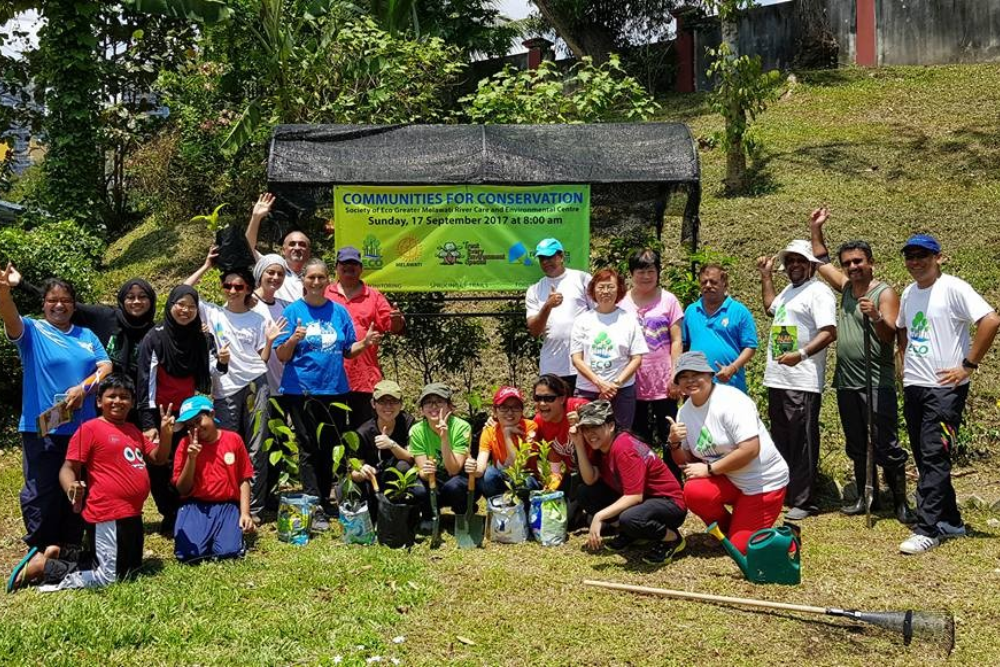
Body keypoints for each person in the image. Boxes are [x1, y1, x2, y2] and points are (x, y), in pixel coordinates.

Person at [7, 376, 174, 592]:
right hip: (107, 513)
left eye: (124, 397)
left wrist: (166, 433)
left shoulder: (133, 430)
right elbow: (67, 468)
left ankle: (61, 554)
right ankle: (42, 567)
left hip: (132, 513)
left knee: (131, 568)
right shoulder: (91, 429)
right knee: (108, 578)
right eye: (111, 396)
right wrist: (71, 487)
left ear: (132, 403)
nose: (118, 401)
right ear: (98, 401)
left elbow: (159, 458)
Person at [894, 235, 999, 554]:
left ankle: (927, 529)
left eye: (922, 255)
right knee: (925, 455)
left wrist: (968, 365)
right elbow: (902, 327)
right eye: (910, 256)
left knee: (933, 455)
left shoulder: (954, 288)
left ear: (938, 257)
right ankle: (951, 521)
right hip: (915, 385)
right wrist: (903, 357)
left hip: (944, 391)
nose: (915, 262)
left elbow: (990, 320)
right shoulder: (909, 292)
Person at [809, 209, 915, 524]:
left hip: (876, 380)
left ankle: (900, 501)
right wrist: (816, 228)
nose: (853, 267)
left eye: (858, 261)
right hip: (847, 381)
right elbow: (820, 262)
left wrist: (876, 316)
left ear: (870, 263)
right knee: (856, 442)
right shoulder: (845, 288)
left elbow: (890, 336)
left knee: (885, 442)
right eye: (848, 263)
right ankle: (866, 496)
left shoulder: (884, 292)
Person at [1, 265, 112, 550]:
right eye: (53, 300)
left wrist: (83, 388)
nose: (59, 305)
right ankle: (42, 547)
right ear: (44, 304)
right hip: (43, 425)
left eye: (65, 300)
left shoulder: (86, 335)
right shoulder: (33, 331)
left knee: (77, 485)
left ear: (74, 305)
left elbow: (106, 367)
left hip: (82, 427)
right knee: (42, 488)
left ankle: (70, 545)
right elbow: (11, 319)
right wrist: (4, 294)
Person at [273, 258, 382, 531]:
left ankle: (324, 498)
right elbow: (281, 355)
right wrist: (293, 339)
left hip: (335, 389)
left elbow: (347, 350)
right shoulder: (293, 312)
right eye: (311, 277)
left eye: (321, 277)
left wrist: (365, 343)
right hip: (301, 391)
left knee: (330, 445)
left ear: (327, 280)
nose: (316, 282)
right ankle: (314, 504)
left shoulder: (339, 312)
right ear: (304, 280)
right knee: (308, 446)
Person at [184, 248, 286, 523]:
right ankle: (229, 503)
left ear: (248, 289)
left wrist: (270, 341)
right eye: (227, 285)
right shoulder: (213, 313)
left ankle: (254, 508)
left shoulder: (259, 318)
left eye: (238, 286)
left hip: (256, 384)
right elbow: (183, 290)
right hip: (225, 386)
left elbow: (262, 359)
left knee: (257, 445)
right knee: (226, 444)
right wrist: (206, 265)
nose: (232, 290)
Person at [668, 352, 790, 555]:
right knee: (694, 491)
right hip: (729, 478)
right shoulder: (684, 412)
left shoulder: (732, 401)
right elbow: (686, 463)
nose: (690, 381)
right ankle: (727, 531)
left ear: (710, 375)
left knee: (742, 548)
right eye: (684, 377)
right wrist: (674, 443)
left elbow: (750, 449)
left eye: (696, 374)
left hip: (762, 482)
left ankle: (787, 538)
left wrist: (709, 469)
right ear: (678, 383)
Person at [757, 240, 837, 521]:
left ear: (811, 265)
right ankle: (788, 493)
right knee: (782, 439)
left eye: (800, 260)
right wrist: (766, 276)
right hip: (778, 378)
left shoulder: (819, 292)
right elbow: (770, 307)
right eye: (790, 261)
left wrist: (800, 354)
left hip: (801, 380)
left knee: (802, 440)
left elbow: (829, 332)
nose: (794, 265)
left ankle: (805, 500)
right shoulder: (790, 291)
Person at [137, 285, 220, 536]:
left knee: (186, 459)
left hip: (190, 414)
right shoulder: (155, 338)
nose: (185, 310)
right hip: (160, 413)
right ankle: (169, 512)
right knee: (159, 465)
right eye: (180, 304)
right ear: (170, 305)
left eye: (192, 306)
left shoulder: (200, 338)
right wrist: (148, 423)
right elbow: (146, 381)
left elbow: (208, 374)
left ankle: (187, 509)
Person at [572, 400, 687, 565]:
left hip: (669, 504)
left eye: (595, 426)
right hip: (644, 500)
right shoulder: (600, 446)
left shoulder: (624, 447)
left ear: (611, 426)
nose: (590, 434)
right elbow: (589, 479)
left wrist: (599, 516)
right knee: (585, 492)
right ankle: (632, 533)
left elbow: (634, 496)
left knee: (630, 518)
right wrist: (578, 443)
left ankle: (672, 539)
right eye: (585, 429)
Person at [8, 266, 157, 387]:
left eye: (142, 297)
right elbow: (63, 303)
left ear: (151, 300)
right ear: (122, 299)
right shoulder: (105, 317)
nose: (136, 301)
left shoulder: (155, 333)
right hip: (100, 400)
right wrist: (22, 284)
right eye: (130, 297)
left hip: (136, 403)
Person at [325, 246, 405, 429]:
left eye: (353, 264)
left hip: (364, 378)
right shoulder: (325, 294)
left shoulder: (374, 296)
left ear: (361, 268)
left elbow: (393, 327)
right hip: (330, 378)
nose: (349, 267)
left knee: (364, 432)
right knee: (331, 432)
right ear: (336, 267)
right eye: (344, 263)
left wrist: (396, 319)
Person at [172, 395, 256, 562]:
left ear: (211, 414)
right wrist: (191, 459)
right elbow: (182, 489)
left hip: (226, 505)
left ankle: (225, 534)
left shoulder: (233, 440)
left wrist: (245, 513)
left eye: (198, 421)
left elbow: (244, 479)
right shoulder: (184, 444)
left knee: (228, 553)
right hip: (195, 505)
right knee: (188, 554)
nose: (195, 429)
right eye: (189, 426)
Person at [619, 248, 684, 453]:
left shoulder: (669, 300)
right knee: (636, 436)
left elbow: (677, 340)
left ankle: (672, 473)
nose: (646, 276)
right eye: (641, 271)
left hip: (664, 382)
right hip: (631, 381)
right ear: (631, 273)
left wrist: (675, 375)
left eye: (651, 271)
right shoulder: (620, 302)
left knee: (669, 434)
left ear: (658, 272)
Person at [571, 268, 648, 429]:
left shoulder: (629, 319)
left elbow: (637, 358)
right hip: (588, 390)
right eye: (601, 287)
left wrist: (615, 384)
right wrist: (599, 383)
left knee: (620, 435)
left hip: (621, 391)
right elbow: (577, 359)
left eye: (610, 287)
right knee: (588, 435)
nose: (605, 291)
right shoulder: (582, 320)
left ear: (619, 290)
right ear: (593, 290)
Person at [525, 238, 592, 392]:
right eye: (542, 258)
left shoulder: (582, 279)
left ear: (561, 256)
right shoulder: (534, 290)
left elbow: (599, 313)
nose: (546, 262)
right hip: (552, 366)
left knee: (582, 407)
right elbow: (534, 331)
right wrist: (547, 306)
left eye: (550, 257)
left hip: (584, 364)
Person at [682, 264, 758, 394]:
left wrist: (733, 368)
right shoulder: (691, 311)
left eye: (713, 282)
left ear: (724, 283)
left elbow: (750, 347)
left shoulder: (739, 311)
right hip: (696, 388)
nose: (708, 285)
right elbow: (683, 345)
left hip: (730, 385)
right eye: (704, 282)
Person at [348, 380, 417, 517]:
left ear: (401, 404)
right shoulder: (362, 432)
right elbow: (354, 473)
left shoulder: (408, 422)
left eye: (393, 401)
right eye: (382, 402)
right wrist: (363, 472)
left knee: (403, 466)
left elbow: (411, 458)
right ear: (373, 404)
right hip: (373, 480)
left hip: (398, 481)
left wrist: (392, 445)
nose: (388, 406)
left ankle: (404, 513)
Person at [408, 383, 476, 522]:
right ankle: (429, 515)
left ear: (449, 406)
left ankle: (462, 514)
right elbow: (423, 473)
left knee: (455, 486)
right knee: (418, 489)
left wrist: (444, 438)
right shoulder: (416, 431)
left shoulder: (462, 427)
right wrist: (426, 471)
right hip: (433, 481)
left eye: (439, 401)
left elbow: (453, 470)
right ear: (422, 409)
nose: (434, 406)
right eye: (428, 402)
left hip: (455, 478)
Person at [468, 387, 543, 498]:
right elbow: (480, 468)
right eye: (503, 407)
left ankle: (524, 506)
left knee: (523, 481)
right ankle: (499, 504)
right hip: (501, 479)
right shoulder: (489, 431)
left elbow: (519, 466)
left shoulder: (529, 427)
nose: (510, 412)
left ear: (522, 411)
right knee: (488, 475)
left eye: (515, 407)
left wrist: (507, 435)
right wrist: (472, 468)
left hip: (525, 478)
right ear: (495, 411)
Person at [244, 193, 311, 303]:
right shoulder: (272, 268)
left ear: (309, 251)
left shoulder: (314, 276)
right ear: (283, 250)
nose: (297, 248)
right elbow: (247, 248)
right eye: (292, 244)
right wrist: (256, 218)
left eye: (302, 244)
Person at [250, 253, 290, 395]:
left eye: (280, 274)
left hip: (280, 381)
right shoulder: (246, 303)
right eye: (271, 272)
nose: (276, 277)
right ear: (260, 274)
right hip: (253, 382)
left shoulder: (283, 307)